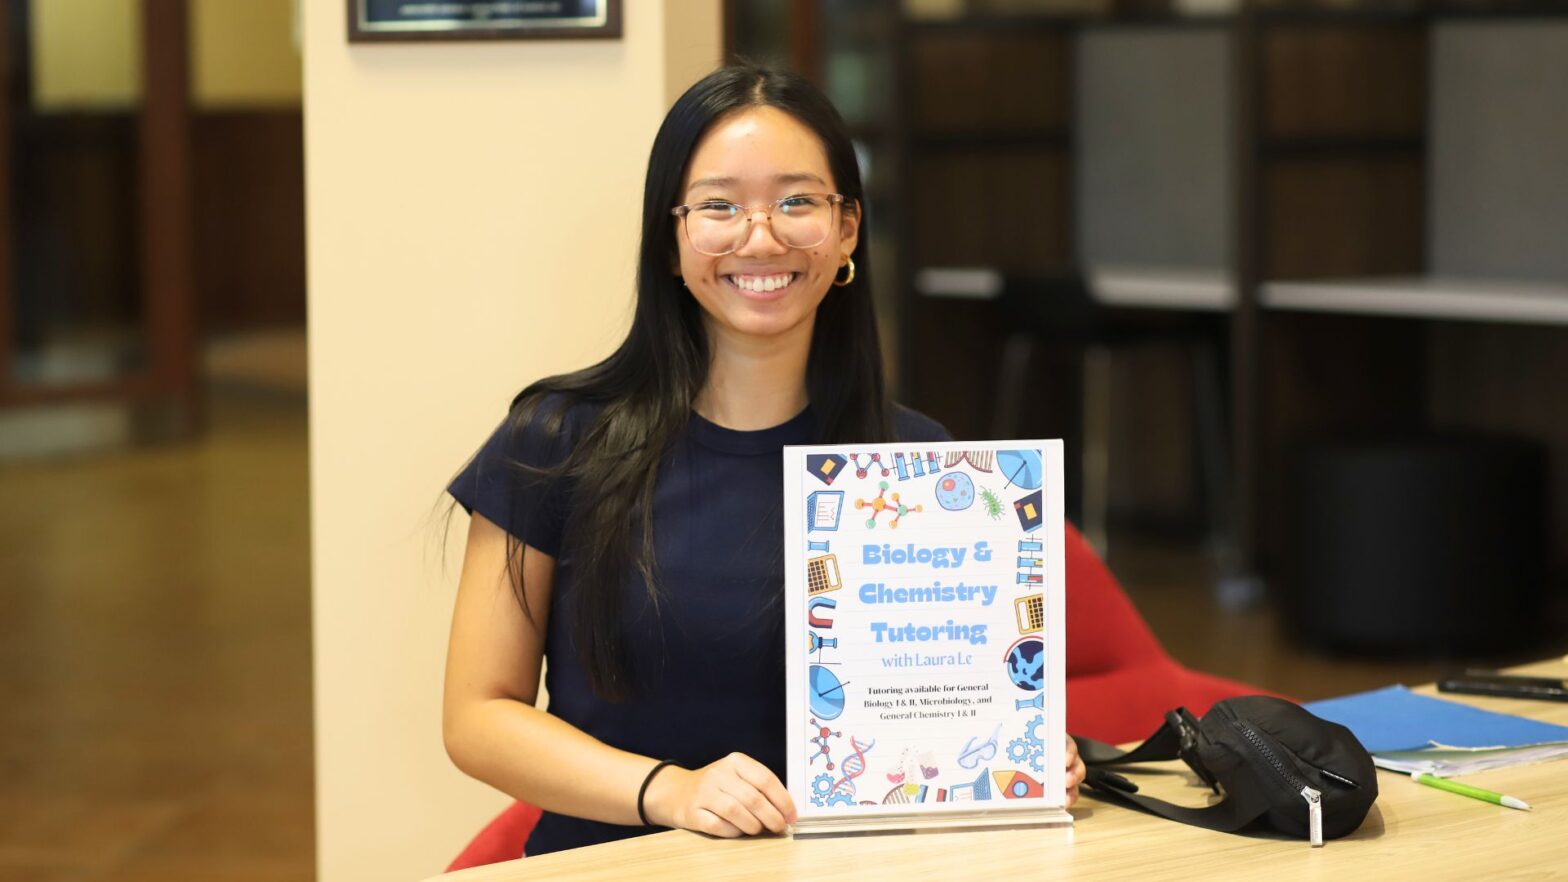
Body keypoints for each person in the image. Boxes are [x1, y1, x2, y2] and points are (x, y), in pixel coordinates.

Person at [442, 63, 1086, 858]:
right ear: (671, 238)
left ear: (848, 228)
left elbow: (954, 718)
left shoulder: (924, 469)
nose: (761, 236)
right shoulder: (554, 441)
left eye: (797, 201)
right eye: (718, 205)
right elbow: (476, 716)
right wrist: (671, 790)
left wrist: (1014, 759)